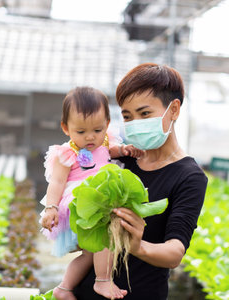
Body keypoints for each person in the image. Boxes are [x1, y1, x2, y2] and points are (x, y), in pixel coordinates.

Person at [73, 63, 208, 300]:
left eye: (144, 114)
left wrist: (138, 246)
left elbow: (175, 251)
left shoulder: (189, 176)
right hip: (86, 292)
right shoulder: (122, 157)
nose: (135, 123)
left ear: (174, 110)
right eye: (127, 116)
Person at [39, 86, 143, 300]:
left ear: (107, 124)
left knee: (90, 253)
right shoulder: (67, 152)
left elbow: (111, 151)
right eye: (81, 132)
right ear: (66, 128)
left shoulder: (105, 141)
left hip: (97, 200)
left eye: (97, 130)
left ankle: (64, 288)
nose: (90, 138)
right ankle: (103, 280)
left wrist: (124, 150)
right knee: (106, 234)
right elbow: (56, 182)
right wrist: (51, 208)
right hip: (79, 201)